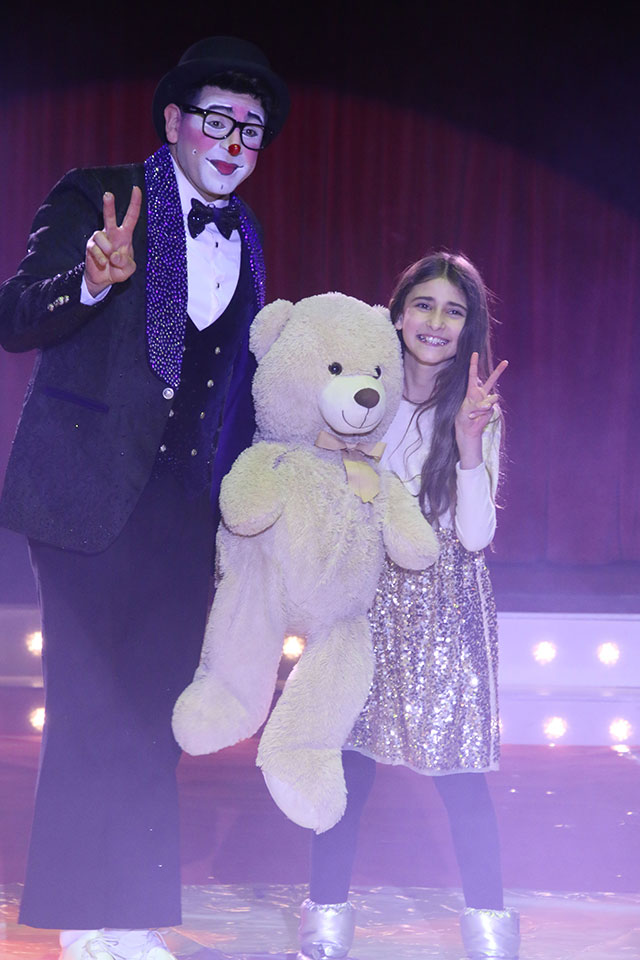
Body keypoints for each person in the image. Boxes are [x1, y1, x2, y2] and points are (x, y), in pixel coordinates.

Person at [0, 36, 289, 960]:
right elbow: (16, 315)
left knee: (154, 714)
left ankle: (128, 916)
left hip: (181, 512)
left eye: (251, 128)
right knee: (90, 706)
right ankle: (83, 920)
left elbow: (235, 388)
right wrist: (91, 280)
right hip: (82, 496)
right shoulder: (97, 194)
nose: (235, 141)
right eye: (217, 119)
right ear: (173, 121)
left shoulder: (247, 238)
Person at [297, 252, 520, 960]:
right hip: (364, 599)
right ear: (396, 315)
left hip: (446, 608)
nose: (435, 321)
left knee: (461, 780)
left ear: (467, 329)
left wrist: (468, 444)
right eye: (423, 304)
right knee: (346, 770)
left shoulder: (475, 412)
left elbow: (475, 537)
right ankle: (325, 928)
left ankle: (490, 934)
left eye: (453, 311)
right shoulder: (361, 396)